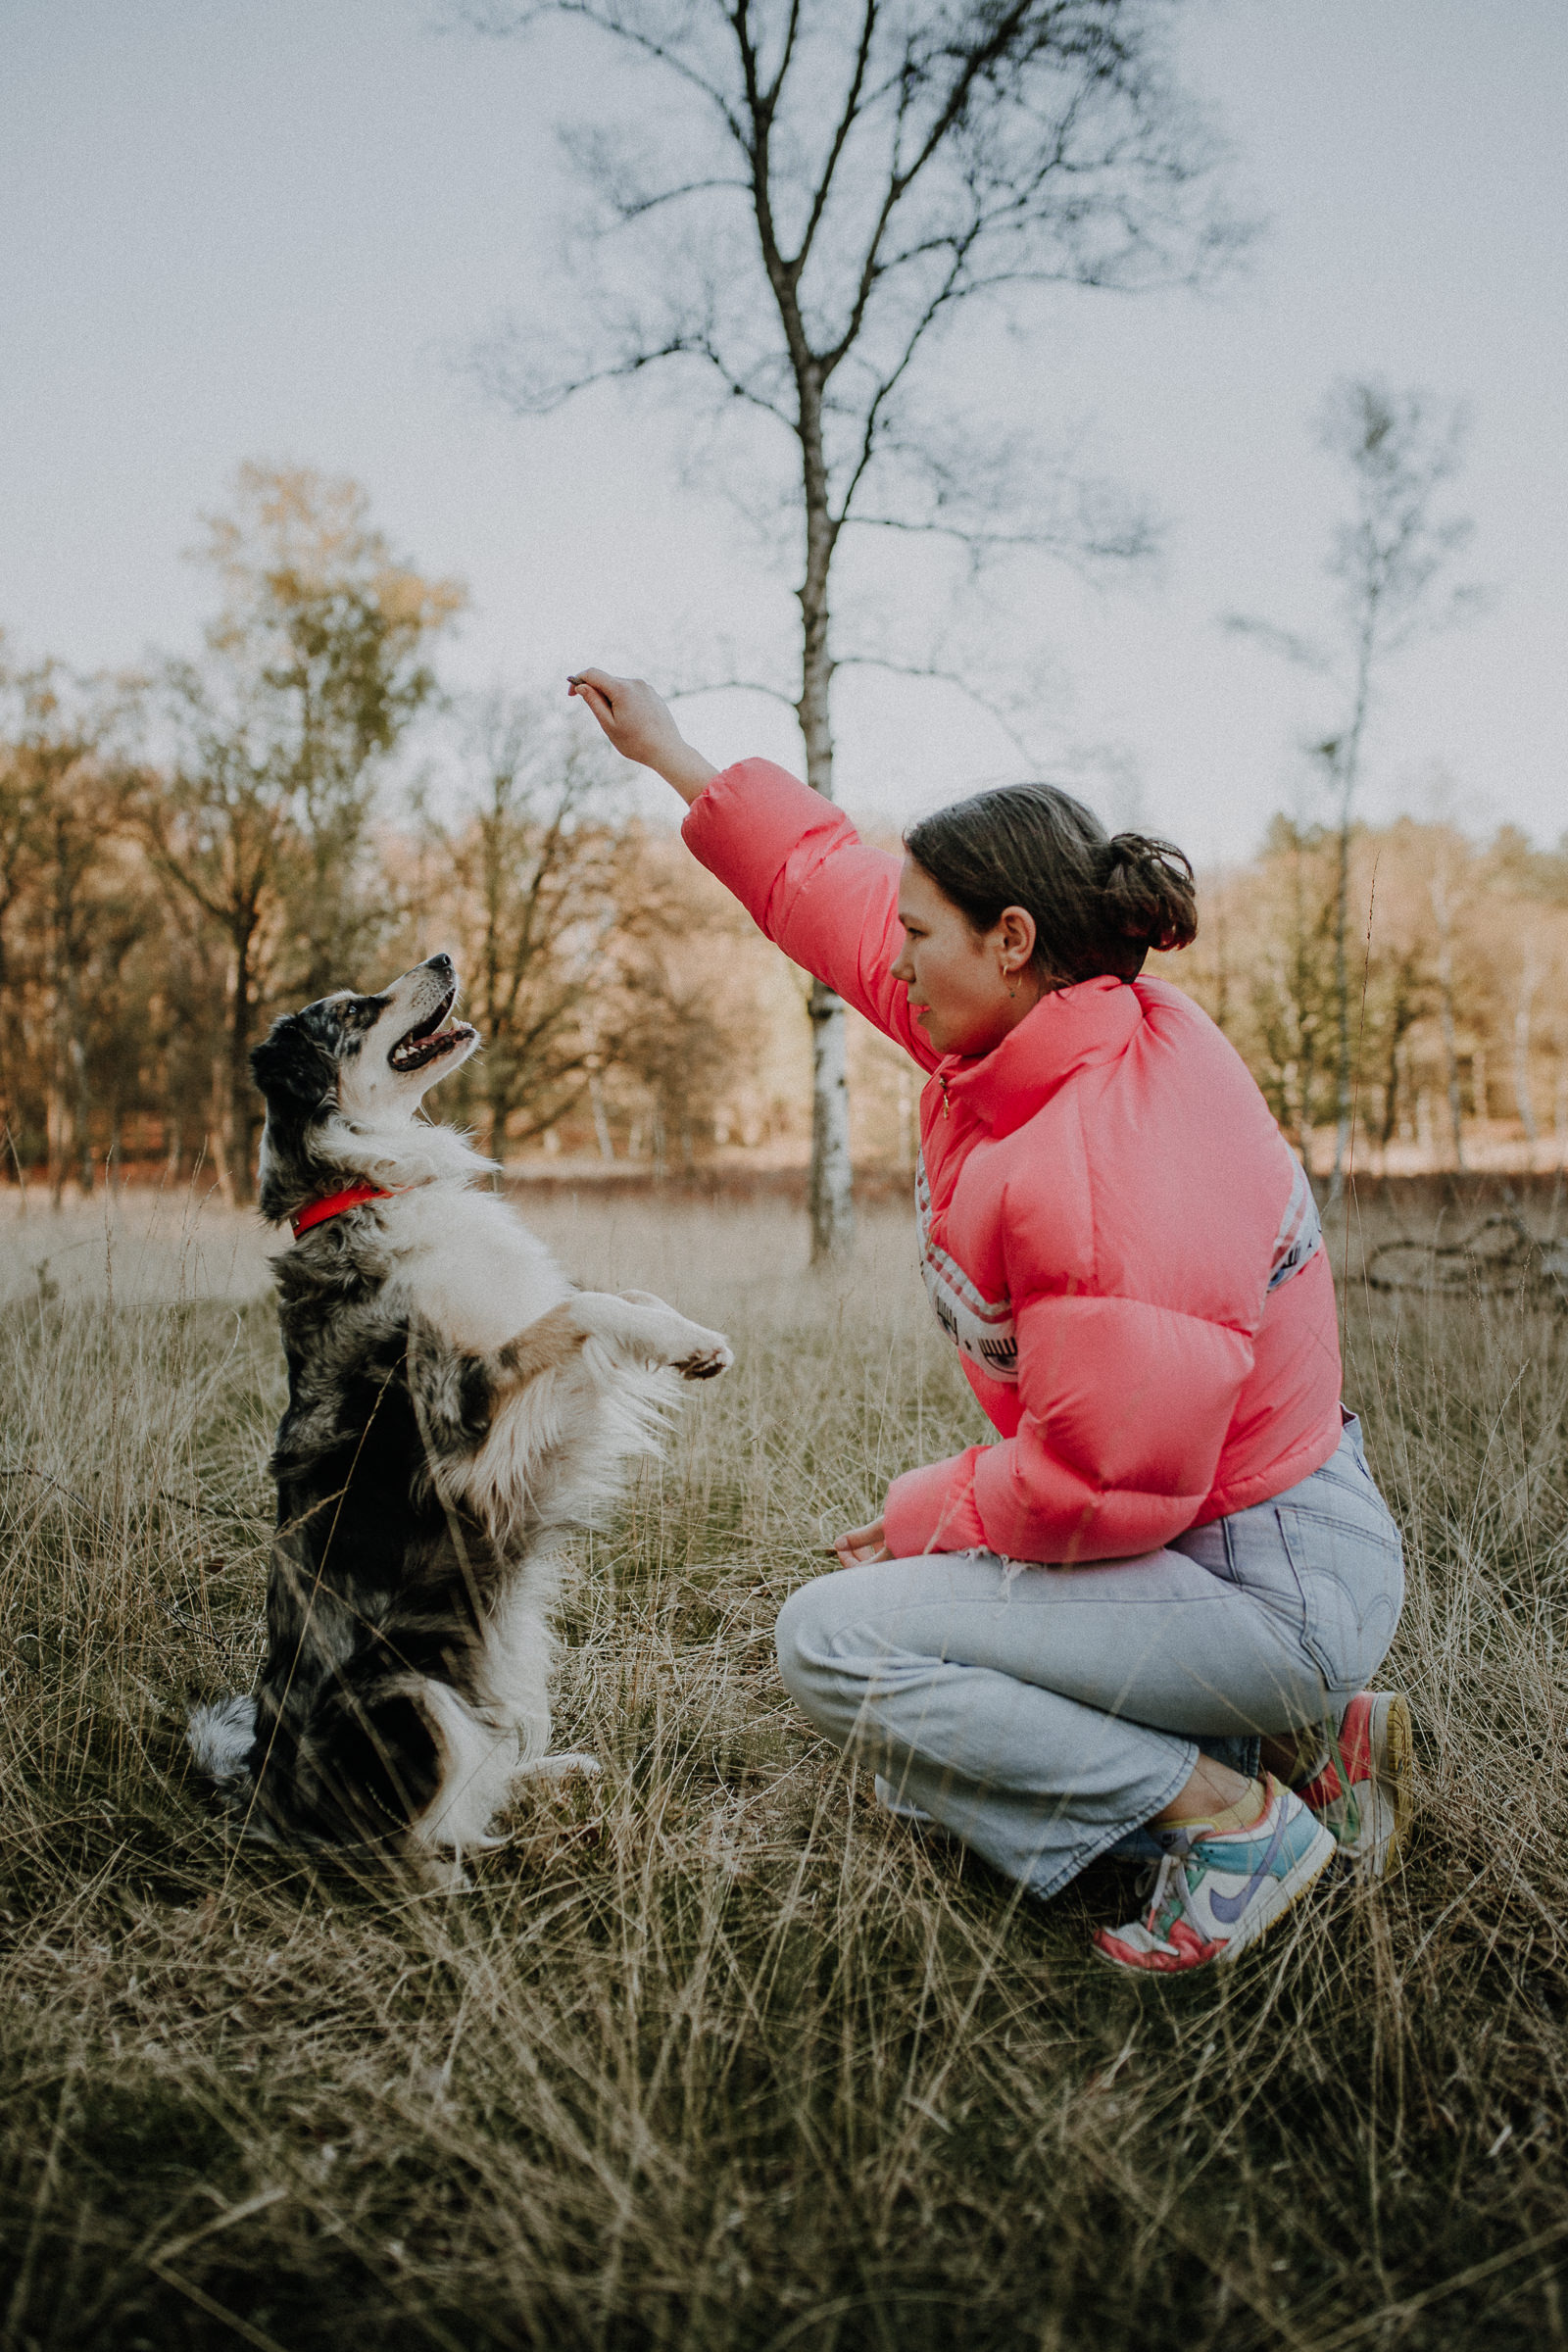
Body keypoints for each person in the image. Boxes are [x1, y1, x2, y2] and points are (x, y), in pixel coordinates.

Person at [566, 668, 1412, 1976]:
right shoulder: (1047, 1024)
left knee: (840, 1646)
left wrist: (926, 1520)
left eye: (924, 936)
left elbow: (1102, 1481)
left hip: (1268, 1583)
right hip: (1243, 1549)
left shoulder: (1105, 1161)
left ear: (1009, 938)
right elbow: (834, 891)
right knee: (929, 1742)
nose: (895, 960)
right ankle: (1313, 1747)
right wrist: (674, 757)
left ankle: (1233, 1818)